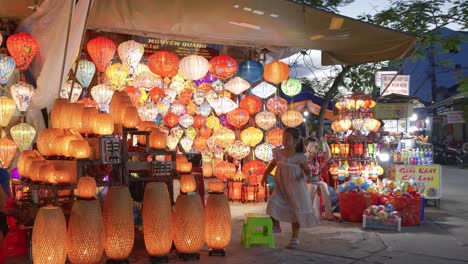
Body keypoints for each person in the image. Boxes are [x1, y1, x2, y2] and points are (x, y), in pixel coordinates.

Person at [261, 128, 319, 249]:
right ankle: (276, 226)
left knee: (295, 211)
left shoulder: (299, 157)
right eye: (283, 138)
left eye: (288, 139)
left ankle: (295, 237)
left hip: (295, 188)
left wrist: (307, 175)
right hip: (281, 186)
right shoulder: (279, 153)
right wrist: (265, 175)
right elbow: (272, 165)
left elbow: (307, 169)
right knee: (272, 203)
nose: (284, 141)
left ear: (296, 141)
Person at [304, 136, 340, 221]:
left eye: (315, 146)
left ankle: (328, 213)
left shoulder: (318, 156)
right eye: (311, 146)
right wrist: (310, 153)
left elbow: (328, 156)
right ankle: (307, 214)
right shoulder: (303, 157)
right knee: (312, 187)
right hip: (305, 181)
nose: (314, 148)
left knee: (324, 185)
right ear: (306, 147)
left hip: (317, 180)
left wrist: (325, 142)